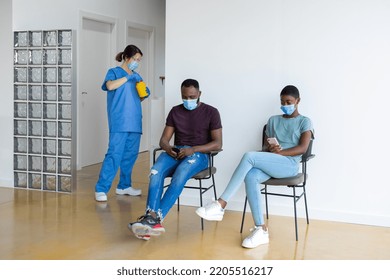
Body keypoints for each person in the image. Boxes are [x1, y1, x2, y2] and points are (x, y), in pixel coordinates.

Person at [196, 85, 313, 249]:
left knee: (249, 156)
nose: (285, 105)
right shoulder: (273, 120)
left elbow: (303, 148)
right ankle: (261, 229)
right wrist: (271, 149)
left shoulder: (304, 121)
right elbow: (266, 147)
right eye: (282, 101)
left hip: (289, 165)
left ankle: (221, 204)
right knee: (251, 176)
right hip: (273, 161)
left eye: (289, 101)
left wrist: (281, 153)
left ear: (297, 101)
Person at [129, 78, 223, 240]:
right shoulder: (175, 111)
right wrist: (168, 148)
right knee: (155, 172)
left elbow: (217, 143)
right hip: (177, 152)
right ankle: (150, 218)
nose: (188, 100)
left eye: (192, 97)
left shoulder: (211, 112)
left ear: (199, 94)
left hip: (198, 155)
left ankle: (155, 220)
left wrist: (192, 149)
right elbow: (164, 140)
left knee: (180, 174)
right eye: (185, 97)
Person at [95, 45, 150, 202]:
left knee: (130, 156)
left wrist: (144, 93)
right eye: (135, 59)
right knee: (114, 154)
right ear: (127, 57)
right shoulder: (114, 72)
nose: (137, 63)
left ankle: (124, 186)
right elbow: (109, 86)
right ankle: (101, 188)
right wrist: (128, 78)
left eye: (139, 60)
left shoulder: (137, 76)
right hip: (119, 120)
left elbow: (137, 98)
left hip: (135, 121)